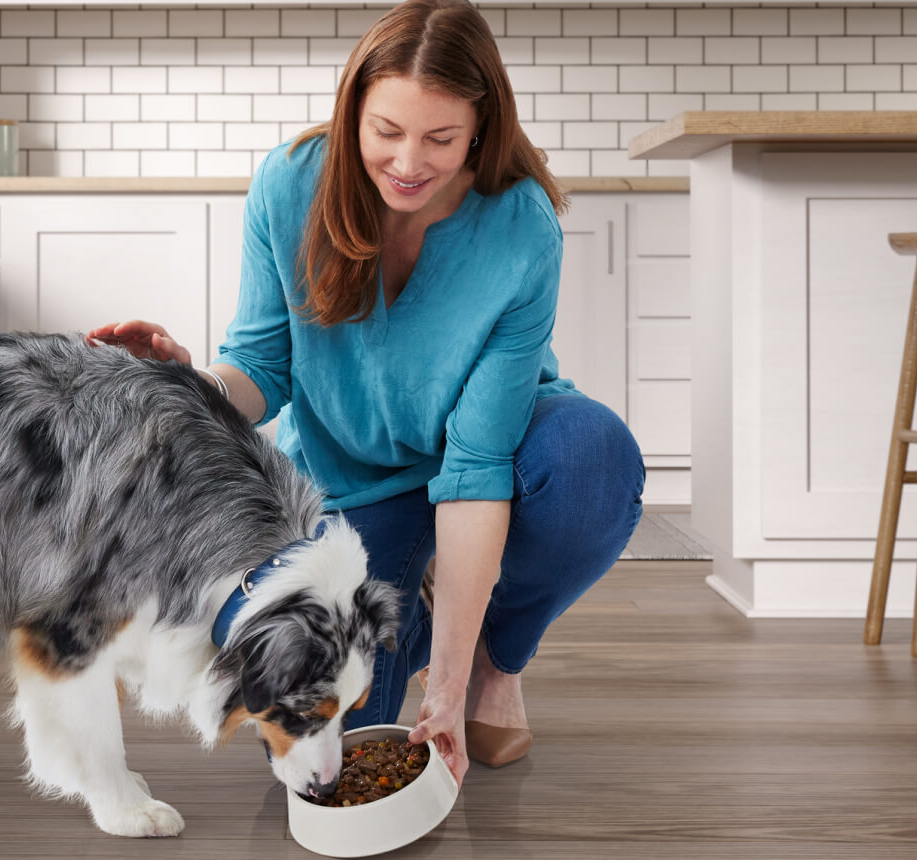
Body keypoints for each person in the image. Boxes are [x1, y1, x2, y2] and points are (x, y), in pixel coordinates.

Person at [86, 0, 643, 785]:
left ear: (481, 128)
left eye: (440, 139)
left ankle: (495, 659)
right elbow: (260, 367)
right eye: (386, 131)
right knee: (340, 740)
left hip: (492, 450)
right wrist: (184, 391)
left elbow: (479, 462)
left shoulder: (520, 226)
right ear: (353, 112)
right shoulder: (289, 186)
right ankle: (428, 600)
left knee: (590, 461)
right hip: (349, 481)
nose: (409, 161)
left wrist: (447, 692)